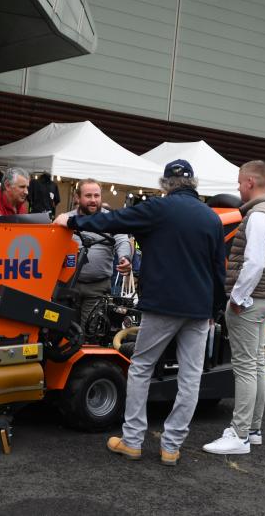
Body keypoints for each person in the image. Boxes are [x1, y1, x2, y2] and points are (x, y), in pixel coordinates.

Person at [54, 159, 226, 466]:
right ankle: (171, 447)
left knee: (142, 367)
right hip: (199, 309)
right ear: (193, 183)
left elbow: (112, 220)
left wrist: (72, 221)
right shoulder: (211, 218)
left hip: (162, 304)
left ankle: (132, 440)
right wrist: (215, 308)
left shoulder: (157, 209)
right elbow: (218, 270)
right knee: (190, 378)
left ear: (165, 184)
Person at [203, 160, 265, 456]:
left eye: (240, 182)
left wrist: (237, 298)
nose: (238, 187)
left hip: (250, 302)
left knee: (245, 369)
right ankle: (252, 430)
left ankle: (239, 434)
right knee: (256, 364)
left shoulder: (258, 216)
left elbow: (254, 262)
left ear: (250, 182)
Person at [64, 179, 132, 326]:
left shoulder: (111, 219)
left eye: (97, 196)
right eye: (88, 196)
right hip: (68, 286)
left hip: (97, 288)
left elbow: (122, 240)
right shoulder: (66, 219)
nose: (93, 200)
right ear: (77, 198)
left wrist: (125, 257)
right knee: (64, 332)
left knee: (89, 331)